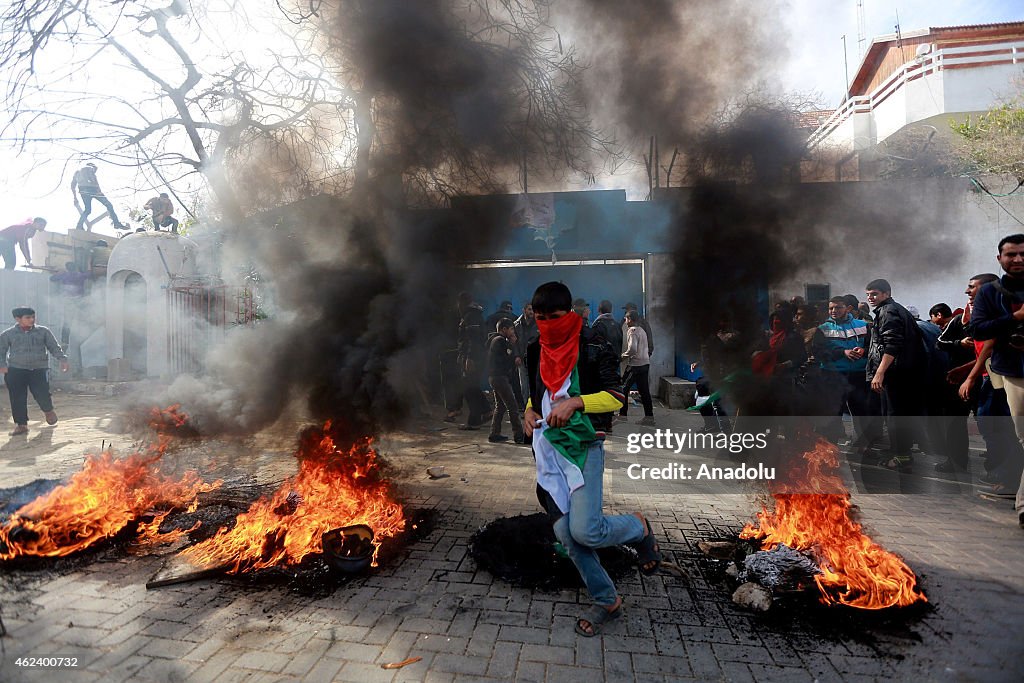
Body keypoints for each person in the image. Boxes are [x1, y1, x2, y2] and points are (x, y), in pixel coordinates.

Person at [522, 281, 658, 637]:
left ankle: (638, 527)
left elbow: (616, 397)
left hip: (584, 448)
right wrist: (528, 412)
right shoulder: (535, 348)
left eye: (554, 317)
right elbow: (536, 395)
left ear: (569, 314)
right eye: (540, 318)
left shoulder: (594, 345)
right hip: (549, 456)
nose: (547, 324)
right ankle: (606, 600)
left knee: (586, 530)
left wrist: (576, 402)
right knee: (568, 534)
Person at [968, 234, 1024, 528]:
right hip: (1013, 372)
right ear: (1000, 258)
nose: (1017, 260)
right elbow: (979, 330)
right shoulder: (991, 293)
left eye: (1022, 254)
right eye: (1011, 254)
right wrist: (1015, 317)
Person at [865, 279, 927, 472]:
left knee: (895, 417)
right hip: (903, 373)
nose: (870, 298)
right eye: (868, 294)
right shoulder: (894, 309)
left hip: (896, 375)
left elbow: (892, 344)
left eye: (874, 294)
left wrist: (880, 373)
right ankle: (900, 452)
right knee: (897, 415)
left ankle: (902, 456)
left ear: (886, 293)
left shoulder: (888, 311)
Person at [811, 296, 877, 446]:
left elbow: (874, 348)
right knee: (833, 413)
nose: (834, 311)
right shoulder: (822, 329)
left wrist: (863, 351)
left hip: (858, 375)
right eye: (831, 308)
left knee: (862, 412)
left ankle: (864, 446)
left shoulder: (863, 325)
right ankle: (830, 448)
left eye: (838, 307)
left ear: (847, 308)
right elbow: (819, 353)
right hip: (832, 376)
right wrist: (843, 353)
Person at [0, 307, 69, 436]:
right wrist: (2, 365)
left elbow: (54, 347)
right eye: (28, 317)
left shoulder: (43, 332)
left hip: (38, 369)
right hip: (16, 369)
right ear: (18, 319)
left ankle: (48, 411)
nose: (32, 320)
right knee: (17, 398)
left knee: (42, 393)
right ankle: (21, 425)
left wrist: (62, 359)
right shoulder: (8, 334)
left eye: (33, 317)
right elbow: (1, 350)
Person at [486, 318, 525, 444]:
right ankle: (519, 435)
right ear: (504, 329)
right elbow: (506, 360)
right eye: (511, 329)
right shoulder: (501, 341)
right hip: (500, 377)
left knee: (500, 406)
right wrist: (512, 346)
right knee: (512, 406)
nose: (513, 331)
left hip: (494, 377)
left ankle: (494, 433)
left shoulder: (494, 339)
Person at [455, 292, 490, 429]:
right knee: (472, 386)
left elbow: (473, 339)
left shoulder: (471, 316)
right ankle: (485, 412)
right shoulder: (472, 315)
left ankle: (475, 420)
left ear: (462, 302)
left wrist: (469, 358)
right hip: (474, 356)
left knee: (469, 387)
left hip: (474, 358)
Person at [620, 310, 655, 426]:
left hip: (635, 366)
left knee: (623, 388)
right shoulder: (642, 330)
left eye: (626, 318)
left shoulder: (632, 331)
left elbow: (633, 349)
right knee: (644, 392)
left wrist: (622, 357)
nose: (625, 321)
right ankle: (649, 417)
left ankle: (622, 415)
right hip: (645, 364)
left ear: (630, 319)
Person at [71, 162, 125, 231]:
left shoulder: (77, 173)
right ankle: (116, 223)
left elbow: (72, 186)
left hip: (83, 192)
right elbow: (93, 180)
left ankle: (79, 226)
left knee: (87, 210)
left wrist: (75, 197)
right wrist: (99, 191)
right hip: (93, 190)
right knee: (109, 205)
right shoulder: (90, 168)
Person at [513, 302, 537, 410]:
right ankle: (525, 407)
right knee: (524, 385)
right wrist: (516, 355)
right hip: (522, 358)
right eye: (529, 309)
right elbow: (514, 342)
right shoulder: (516, 325)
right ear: (524, 310)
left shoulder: (539, 323)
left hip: (535, 358)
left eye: (533, 310)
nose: (531, 312)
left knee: (534, 383)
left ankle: (534, 406)